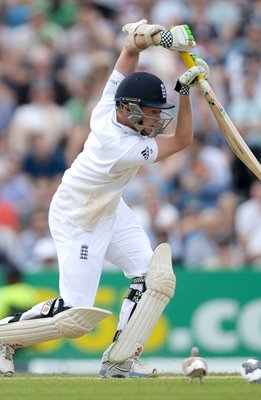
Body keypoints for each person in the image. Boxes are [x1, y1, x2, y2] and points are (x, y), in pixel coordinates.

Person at [0, 20, 209, 378]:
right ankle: (4, 337)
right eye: (153, 110)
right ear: (128, 109)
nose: (158, 117)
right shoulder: (121, 146)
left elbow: (129, 49)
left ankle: (119, 360)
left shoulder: (108, 106)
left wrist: (151, 37)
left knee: (153, 279)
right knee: (74, 317)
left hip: (109, 206)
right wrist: (186, 92)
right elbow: (182, 141)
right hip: (77, 216)